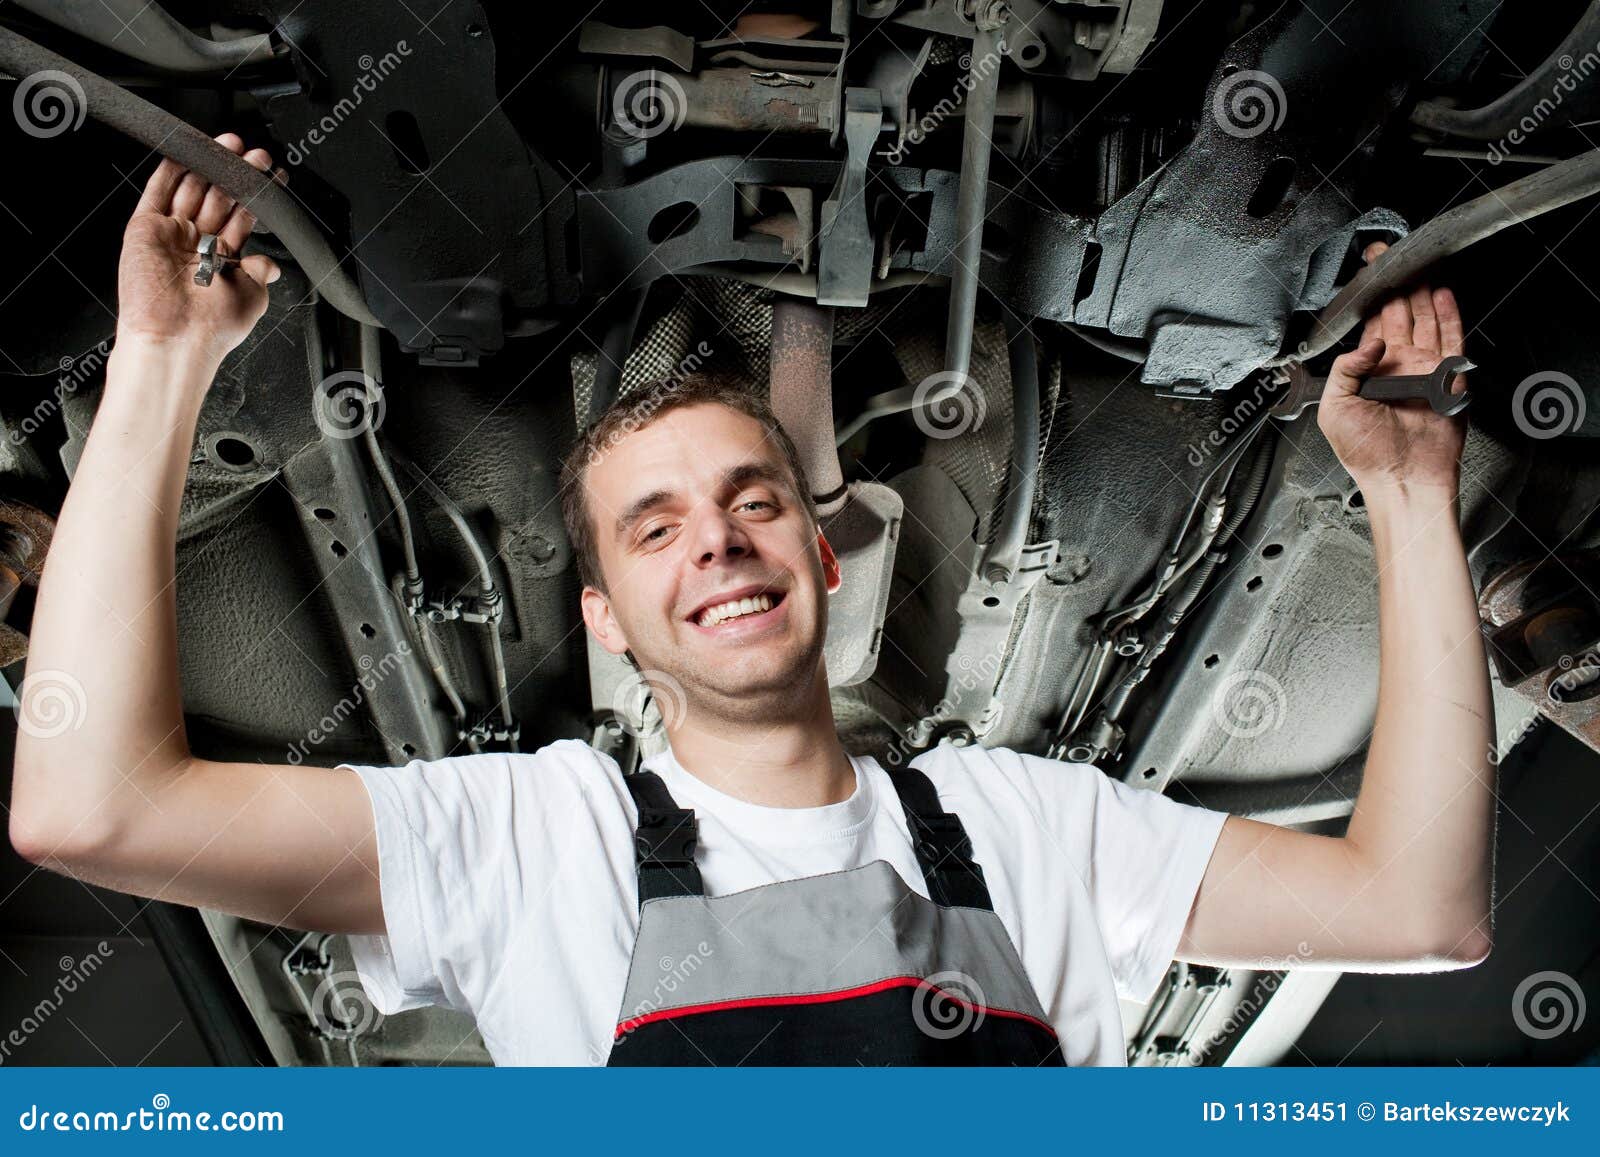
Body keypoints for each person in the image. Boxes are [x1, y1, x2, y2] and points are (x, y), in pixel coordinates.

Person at [8, 138, 1494, 1066]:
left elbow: (1415, 910)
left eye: (752, 500)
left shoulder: (1031, 827)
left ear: (823, 554)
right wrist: (158, 359)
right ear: (604, 616)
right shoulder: (531, 840)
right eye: (653, 529)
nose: (714, 541)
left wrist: (1412, 490)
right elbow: (93, 811)